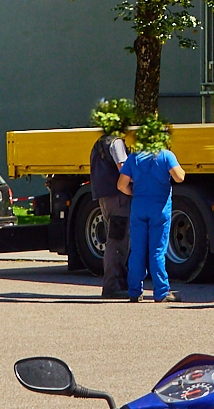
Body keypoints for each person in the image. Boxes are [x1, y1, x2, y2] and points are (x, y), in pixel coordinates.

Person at [119, 116, 185, 303]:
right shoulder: (166, 155)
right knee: (157, 250)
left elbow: (121, 185)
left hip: (139, 208)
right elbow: (180, 177)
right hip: (160, 209)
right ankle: (161, 292)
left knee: (137, 250)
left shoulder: (133, 158)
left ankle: (134, 291)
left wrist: (134, 192)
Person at [87, 98, 135, 299]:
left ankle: (117, 283)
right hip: (119, 198)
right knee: (118, 241)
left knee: (115, 239)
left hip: (105, 198)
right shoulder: (115, 143)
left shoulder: (98, 144)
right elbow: (123, 169)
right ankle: (113, 286)